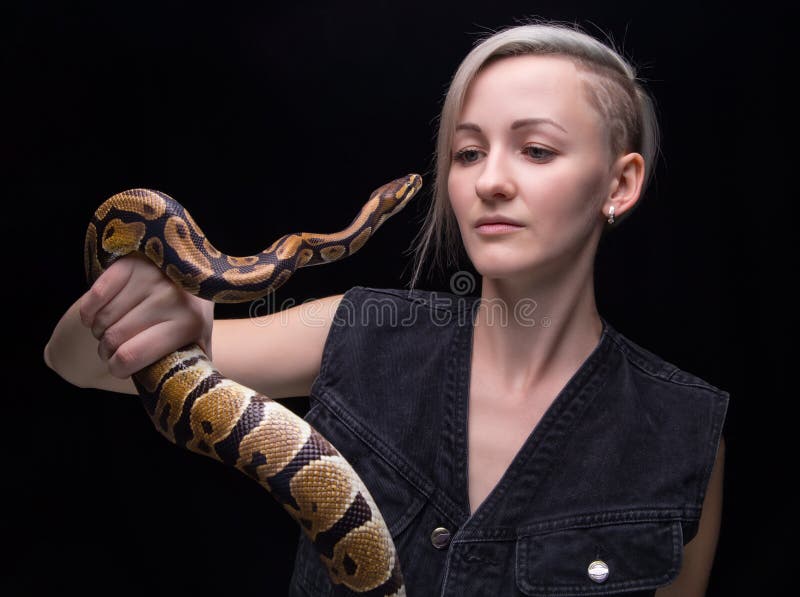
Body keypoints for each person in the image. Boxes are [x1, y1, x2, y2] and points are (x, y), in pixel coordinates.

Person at [45, 20, 727, 597]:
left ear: (621, 183)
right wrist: (140, 309)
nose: (489, 180)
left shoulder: (686, 432)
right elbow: (77, 362)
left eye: (536, 149)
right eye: (467, 152)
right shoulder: (359, 326)